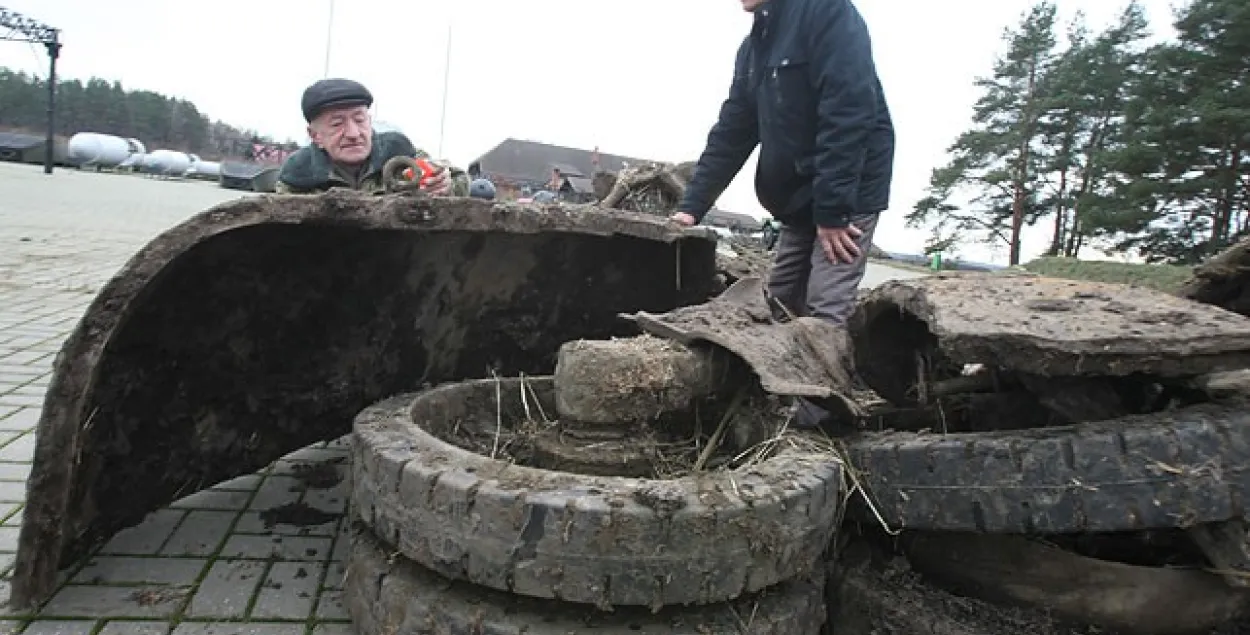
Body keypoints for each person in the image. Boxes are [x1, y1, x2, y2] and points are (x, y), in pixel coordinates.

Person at [671, 0, 894, 428]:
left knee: (824, 308)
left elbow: (849, 111)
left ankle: (815, 424)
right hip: (797, 198)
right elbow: (734, 128)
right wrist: (691, 207)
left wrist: (832, 210)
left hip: (846, 193)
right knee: (781, 300)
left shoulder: (827, 14)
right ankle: (771, 400)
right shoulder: (755, 46)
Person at [275, 78, 470, 196]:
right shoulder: (298, 177)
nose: (353, 133)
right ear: (315, 136)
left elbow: (459, 179)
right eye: (337, 124)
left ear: (369, 121)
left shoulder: (400, 153)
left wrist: (444, 186)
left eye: (359, 120)